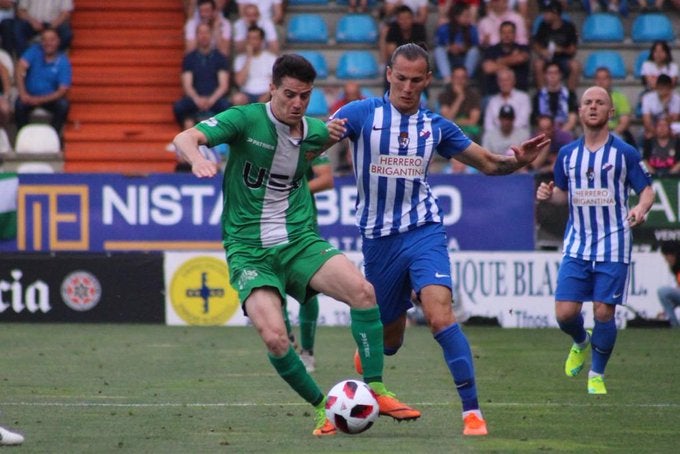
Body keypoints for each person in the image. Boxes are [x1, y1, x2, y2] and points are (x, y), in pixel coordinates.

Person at [172, 53, 420, 437]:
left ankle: (377, 388)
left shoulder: (316, 132)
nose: (296, 104)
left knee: (363, 292)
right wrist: (196, 159)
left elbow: (352, 135)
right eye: (289, 94)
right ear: (272, 87)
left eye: (304, 96)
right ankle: (323, 409)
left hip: (298, 240)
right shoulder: (245, 119)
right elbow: (185, 137)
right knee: (274, 337)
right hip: (249, 248)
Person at [329, 43, 550, 436]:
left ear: (428, 80)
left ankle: (472, 413)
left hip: (423, 229)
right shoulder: (361, 114)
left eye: (416, 80)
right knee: (390, 340)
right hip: (378, 241)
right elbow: (312, 142)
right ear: (388, 74)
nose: (408, 87)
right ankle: (362, 380)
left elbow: (489, 164)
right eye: (401, 78)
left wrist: (518, 160)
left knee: (439, 314)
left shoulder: (435, 127)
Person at [535, 86, 655, 395]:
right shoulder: (567, 154)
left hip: (613, 243)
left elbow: (647, 189)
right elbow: (563, 194)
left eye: (600, 103)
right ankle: (580, 341)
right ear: (579, 109)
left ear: (610, 112)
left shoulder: (624, 152)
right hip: (577, 243)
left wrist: (641, 207)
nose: (593, 107)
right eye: (587, 102)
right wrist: (549, 195)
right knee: (564, 314)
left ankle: (596, 375)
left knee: (604, 311)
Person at [283, 153, 334, 373]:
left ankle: (307, 352)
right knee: (272, 286)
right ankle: (287, 341)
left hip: (304, 226)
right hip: (265, 225)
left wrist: (290, 192)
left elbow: (326, 179)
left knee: (308, 287)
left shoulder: (308, 136)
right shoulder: (258, 135)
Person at [14, 27, 71, 140]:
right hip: (29, 95)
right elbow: (20, 68)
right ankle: (23, 137)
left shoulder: (63, 61)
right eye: (45, 40)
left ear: (58, 41)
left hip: (49, 99)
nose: (48, 43)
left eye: (52, 40)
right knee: (19, 105)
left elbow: (62, 91)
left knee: (63, 105)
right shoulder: (34, 50)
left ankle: (53, 137)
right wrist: (22, 92)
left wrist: (38, 100)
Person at [173, 23, 231, 130]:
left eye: (206, 32)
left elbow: (223, 85)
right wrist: (197, 100)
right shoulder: (189, 58)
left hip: (215, 99)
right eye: (201, 33)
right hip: (195, 99)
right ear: (196, 35)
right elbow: (187, 85)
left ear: (211, 35)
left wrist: (211, 100)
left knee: (227, 106)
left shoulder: (220, 58)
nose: (204, 36)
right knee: (178, 107)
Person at [531, 0, 581, 91]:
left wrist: (561, 50)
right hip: (547, 58)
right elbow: (535, 43)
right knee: (538, 64)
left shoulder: (569, 27)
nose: (544, 15)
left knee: (575, 66)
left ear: (555, 14)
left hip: (563, 58)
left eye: (547, 13)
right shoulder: (543, 25)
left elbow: (573, 49)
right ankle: (542, 94)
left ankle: (570, 95)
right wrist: (541, 51)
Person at [480, 20, 531, 95]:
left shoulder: (523, 48)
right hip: (495, 94)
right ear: (499, 34)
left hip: (519, 93)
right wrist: (511, 61)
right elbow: (488, 68)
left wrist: (498, 62)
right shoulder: (491, 50)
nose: (506, 35)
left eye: (510, 32)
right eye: (503, 32)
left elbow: (520, 58)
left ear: (514, 34)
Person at [230, 25, 277, 105]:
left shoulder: (272, 58)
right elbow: (239, 82)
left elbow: (274, 82)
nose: (251, 41)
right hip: (246, 94)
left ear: (261, 41)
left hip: (265, 94)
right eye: (249, 38)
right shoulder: (240, 59)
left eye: (254, 38)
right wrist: (249, 58)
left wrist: (266, 96)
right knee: (237, 98)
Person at [433, 2, 480, 81]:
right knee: (438, 50)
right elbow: (438, 44)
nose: (468, 19)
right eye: (465, 16)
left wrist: (464, 48)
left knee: (475, 51)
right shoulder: (444, 28)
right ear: (457, 17)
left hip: (464, 61)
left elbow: (476, 45)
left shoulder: (472, 29)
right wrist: (449, 48)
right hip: (450, 61)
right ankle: (447, 78)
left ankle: (464, 78)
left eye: (469, 16)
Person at [593, 66, 636, 147]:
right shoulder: (589, 98)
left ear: (610, 80)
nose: (600, 82)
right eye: (598, 78)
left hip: (615, 133)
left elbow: (624, 122)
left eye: (604, 79)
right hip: (595, 133)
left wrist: (612, 135)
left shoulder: (620, 98)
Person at [531, 62, 578, 135]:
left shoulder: (569, 94)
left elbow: (573, 118)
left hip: (564, 130)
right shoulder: (538, 95)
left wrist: (561, 133)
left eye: (556, 73)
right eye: (550, 73)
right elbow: (536, 119)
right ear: (544, 75)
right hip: (544, 132)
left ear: (560, 75)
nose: (553, 76)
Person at [438, 65, 482, 142]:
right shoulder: (444, 95)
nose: (460, 81)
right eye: (457, 78)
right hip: (449, 131)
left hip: (467, 132)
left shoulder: (474, 95)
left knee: (466, 137)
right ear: (452, 79)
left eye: (463, 78)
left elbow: (473, 121)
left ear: (467, 80)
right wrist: (460, 97)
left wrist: (454, 121)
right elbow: (447, 119)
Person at [483, 68, 531, 138]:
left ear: (514, 81)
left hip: (518, 136)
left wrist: (506, 131)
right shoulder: (493, 101)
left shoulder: (523, 98)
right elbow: (488, 125)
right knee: (487, 136)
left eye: (507, 80)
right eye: (501, 80)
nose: (504, 83)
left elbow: (522, 122)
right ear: (498, 83)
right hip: (497, 137)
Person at [640, 74, 680, 141]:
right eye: (661, 87)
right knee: (642, 134)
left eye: (666, 87)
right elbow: (647, 121)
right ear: (657, 86)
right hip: (653, 128)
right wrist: (656, 132)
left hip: (670, 129)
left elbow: (675, 120)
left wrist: (666, 105)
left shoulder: (677, 99)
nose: (663, 90)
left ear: (670, 87)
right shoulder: (647, 98)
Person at [657, 241, 680, 328]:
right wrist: (666, 311)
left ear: (673, 254)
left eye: (666, 256)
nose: (666, 260)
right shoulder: (676, 267)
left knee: (663, 291)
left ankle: (674, 325)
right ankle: (674, 326)